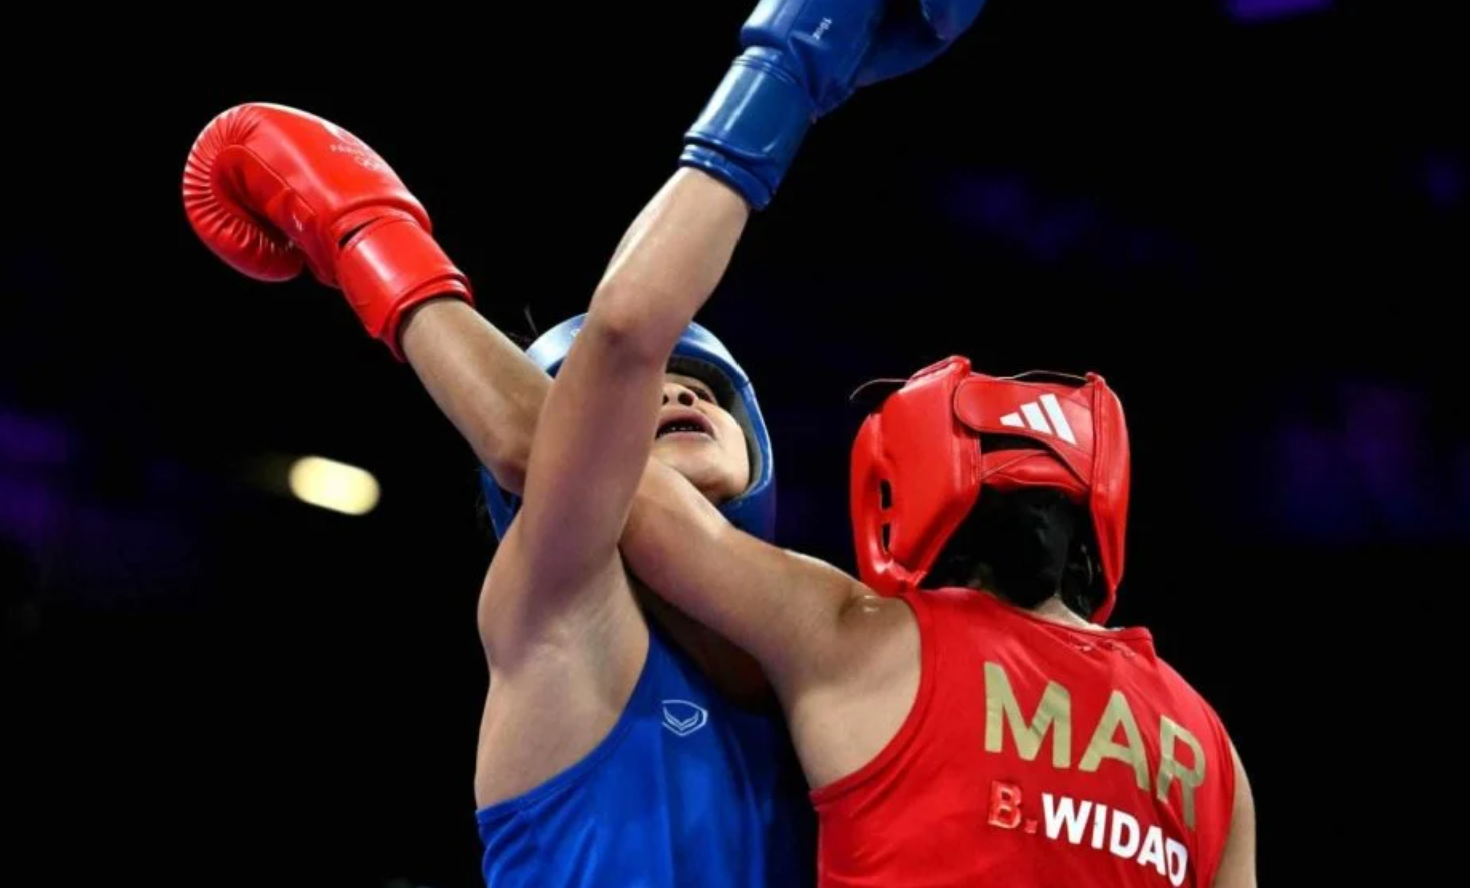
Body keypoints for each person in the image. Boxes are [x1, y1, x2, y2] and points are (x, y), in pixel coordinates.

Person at [522, 0, 1260, 886]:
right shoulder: (1213, 755)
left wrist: (399, 275)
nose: (681, 399)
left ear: (905, 489)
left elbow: (585, 420)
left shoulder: (861, 637)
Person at [183, 109, 809, 888]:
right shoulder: (558, 604)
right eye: (638, 402)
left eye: (701, 391)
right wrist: (371, 238)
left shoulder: (823, 648)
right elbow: (543, 446)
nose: (679, 393)